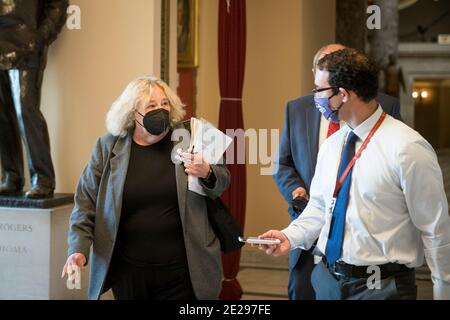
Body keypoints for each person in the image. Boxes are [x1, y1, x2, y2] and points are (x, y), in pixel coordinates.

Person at [264, 48, 450, 300]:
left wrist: (443, 292)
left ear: (342, 94)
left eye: (319, 90)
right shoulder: (332, 145)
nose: (314, 98)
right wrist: (288, 236)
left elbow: (435, 229)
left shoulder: (407, 148)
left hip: (382, 287)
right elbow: (320, 207)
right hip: (328, 281)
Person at [61, 76, 230, 300]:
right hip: (129, 272)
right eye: (151, 106)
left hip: (185, 271)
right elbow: (85, 202)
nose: (160, 110)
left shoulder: (192, 136)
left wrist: (207, 172)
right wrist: (77, 249)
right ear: (133, 114)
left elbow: (224, 180)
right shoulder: (108, 146)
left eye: (164, 104)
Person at [274, 44, 402, 300]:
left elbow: (432, 224)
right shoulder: (303, 115)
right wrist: (294, 202)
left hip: (373, 264)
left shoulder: (401, 137)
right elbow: (284, 165)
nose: (316, 96)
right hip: (308, 227)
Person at [0, 0, 68, 198]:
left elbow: (57, 6)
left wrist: (39, 38)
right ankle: (11, 176)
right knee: (2, 117)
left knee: (26, 112)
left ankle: (43, 178)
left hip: (26, 44)